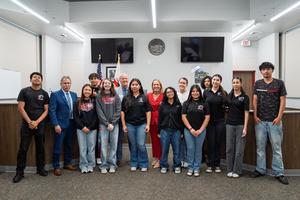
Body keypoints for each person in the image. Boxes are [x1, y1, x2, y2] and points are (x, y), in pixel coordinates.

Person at [251, 62, 289, 185]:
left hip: (274, 122)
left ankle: (279, 173)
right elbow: (255, 100)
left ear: (272, 70)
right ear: (261, 71)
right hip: (260, 122)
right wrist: (255, 116)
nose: (266, 71)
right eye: (263, 69)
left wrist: (279, 117)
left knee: (276, 148)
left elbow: (283, 101)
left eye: (268, 69)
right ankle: (260, 169)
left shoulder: (279, 83)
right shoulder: (258, 83)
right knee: (260, 148)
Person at [13, 72, 49, 183]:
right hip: (26, 125)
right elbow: (20, 108)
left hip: (40, 124)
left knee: (40, 148)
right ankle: (19, 172)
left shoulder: (45, 93)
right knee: (23, 149)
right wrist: (30, 122)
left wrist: (37, 122)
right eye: (34, 77)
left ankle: (40, 169)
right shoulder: (24, 91)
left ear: (41, 80)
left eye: (39, 77)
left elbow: (46, 110)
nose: (37, 79)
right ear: (31, 79)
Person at [49, 76, 78, 176]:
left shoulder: (74, 95)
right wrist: (56, 124)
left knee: (69, 144)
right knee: (58, 146)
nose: (67, 85)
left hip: (72, 123)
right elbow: (52, 110)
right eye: (65, 83)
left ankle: (67, 163)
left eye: (69, 83)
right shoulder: (55, 95)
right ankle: (56, 166)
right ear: (61, 84)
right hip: (60, 125)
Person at [121, 78, 151, 172]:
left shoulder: (144, 97)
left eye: (136, 84)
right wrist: (124, 125)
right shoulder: (126, 97)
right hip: (130, 125)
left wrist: (148, 125)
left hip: (142, 124)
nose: (134, 86)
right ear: (130, 86)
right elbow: (122, 112)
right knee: (133, 145)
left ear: (140, 86)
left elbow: (148, 111)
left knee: (141, 144)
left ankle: (143, 163)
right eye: (132, 84)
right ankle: (134, 163)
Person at [182, 85, 210, 177]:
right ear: (191, 92)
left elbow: (207, 117)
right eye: (193, 91)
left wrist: (201, 130)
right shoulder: (186, 103)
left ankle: (197, 167)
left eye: (197, 91)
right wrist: (191, 129)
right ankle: (190, 167)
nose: (195, 93)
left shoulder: (204, 103)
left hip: (201, 130)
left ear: (199, 92)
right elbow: (183, 116)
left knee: (198, 149)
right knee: (190, 148)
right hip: (188, 130)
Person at [226, 77, 249, 178]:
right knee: (229, 148)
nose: (235, 84)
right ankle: (229, 169)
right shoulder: (229, 96)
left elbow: (246, 112)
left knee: (239, 150)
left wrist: (245, 127)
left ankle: (237, 170)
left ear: (241, 84)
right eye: (234, 82)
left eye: (237, 82)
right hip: (229, 124)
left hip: (240, 125)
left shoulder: (245, 97)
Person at [96, 79, 121, 174]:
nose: (106, 84)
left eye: (108, 83)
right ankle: (103, 165)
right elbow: (99, 111)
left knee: (114, 145)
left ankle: (112, 165)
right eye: (105, 83)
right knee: (103, 146)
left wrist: (113, 123)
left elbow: (118, 110)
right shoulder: (99, 96)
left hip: (114, 125)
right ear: (103, 85)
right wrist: (107, 123)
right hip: (103, 125)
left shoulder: (116, 96)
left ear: (111, 85)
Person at [203, 74, 227, 173]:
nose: (215, 81)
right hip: (209, 122)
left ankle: (217, 164)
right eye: (214, 80)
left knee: (218, 143)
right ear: (211, 81)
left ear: (220, 82)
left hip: (220, 121)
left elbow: (227, 105)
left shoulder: (223, 93)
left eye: (217, 80)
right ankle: (209, 164)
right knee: (210, 143)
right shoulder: (206, 92)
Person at [73, 84, 98, 174]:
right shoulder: (77, 102)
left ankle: (91, 165)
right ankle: (83, 165)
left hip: (92, 129)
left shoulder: (94, 102)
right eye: (85, 89)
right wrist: (82, 127)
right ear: (83, 91)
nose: (87, 91)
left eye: (89, 90)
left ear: (91, 92)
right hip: (81, 129)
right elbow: (76, 117)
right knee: (83, 148)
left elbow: (96, 116)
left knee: (91, 148)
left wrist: (90, 127)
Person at [158, 87, 182, 174]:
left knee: (177, 150)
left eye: (171, 91)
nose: (170, 93)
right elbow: (160, 119)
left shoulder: (178, 105)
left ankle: (177, 165)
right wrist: (158, 131)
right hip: (164, 131)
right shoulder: (162, 105)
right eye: (168, 92)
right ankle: (163, 165)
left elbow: (181, 119)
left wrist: (181, 132)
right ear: (165, 94)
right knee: (164, 149)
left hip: (176, 131)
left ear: (174, 93)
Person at [147, 79, 163, 169]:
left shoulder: (164, 95)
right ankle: (155, 157)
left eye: (157, 84)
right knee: (154, 140)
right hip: (151, 120)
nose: (156, 86)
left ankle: (160, 159)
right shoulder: (148, 95)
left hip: (161, 121)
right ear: (152, 86)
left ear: (160, 86)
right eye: (154, 84)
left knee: (160, 141)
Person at [115, 73, 129, 166]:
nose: (124, 80)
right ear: (119, 80)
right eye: (122, 79)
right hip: (119, 119)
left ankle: (134, 159)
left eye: (126, 79)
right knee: (118, 139)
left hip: (131, 118)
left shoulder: (132, 89)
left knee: (132, 140)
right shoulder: (115, 91)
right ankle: (118, 159)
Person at [88, 73, 102, 165]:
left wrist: (96, 95)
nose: (94, 80)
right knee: (90, 139)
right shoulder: (87, 89)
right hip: (89, 118)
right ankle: (90, 157)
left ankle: (98, 157)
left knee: (99, 139)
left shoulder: (102, 89)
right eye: (92, 78)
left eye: (96, 78)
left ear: (98, 80)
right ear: (90, 80)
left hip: (100, 117)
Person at [177, 77, 189, 168]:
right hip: (177, 121)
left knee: (188, 142)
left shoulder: (189, 94)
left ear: (186, 84)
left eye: (184, 83)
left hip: (188, 120)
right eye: (180, 82)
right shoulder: (175, 94)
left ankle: (187, 160)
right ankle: (181, 159)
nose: (182, 84)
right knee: (180, 142)